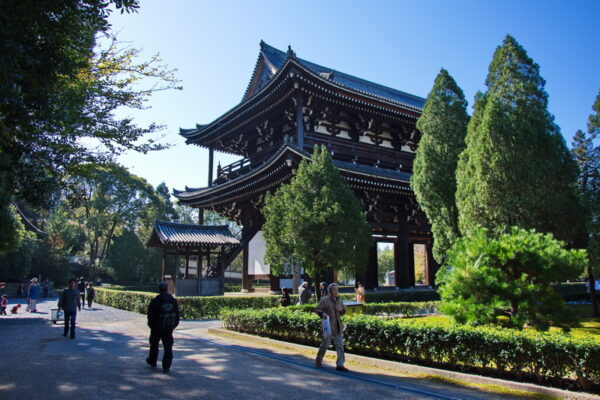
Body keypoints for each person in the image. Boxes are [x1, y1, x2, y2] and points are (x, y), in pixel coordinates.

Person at [146, 282, 180, 373]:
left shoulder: (155, 300)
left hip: (156, 327)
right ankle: (166, 366)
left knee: (154, 345)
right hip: (168, 328)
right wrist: (172, 326)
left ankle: (152, 361)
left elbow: (150, 315)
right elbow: (177, 315)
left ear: (159, 289)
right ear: (167, 289)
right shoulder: (173, 300)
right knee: (168, 347)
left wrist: (151, 326)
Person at [314, 283, 348, 372]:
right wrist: (322, 313)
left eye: (337, 290)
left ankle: (340, 364)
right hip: (328, 327)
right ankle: (318, 360)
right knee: (325, 345)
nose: (336, 291)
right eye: (334, 290)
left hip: (338, 326)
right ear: (330, 291)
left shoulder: (339, 300)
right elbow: (317, 309)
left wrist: (341, 310)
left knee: (340, 345)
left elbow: (344, 310)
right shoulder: (324, 300)